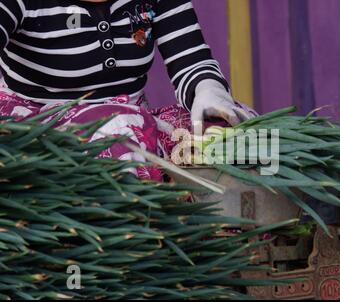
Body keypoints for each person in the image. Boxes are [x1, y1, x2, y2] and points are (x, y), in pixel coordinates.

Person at [0, 0, 257, 180]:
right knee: (117, 131)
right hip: (40, 131)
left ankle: (230, 242)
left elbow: (190, 59)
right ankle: (135, 242)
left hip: (135, 125)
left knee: (241, 136)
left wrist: (208, 90)